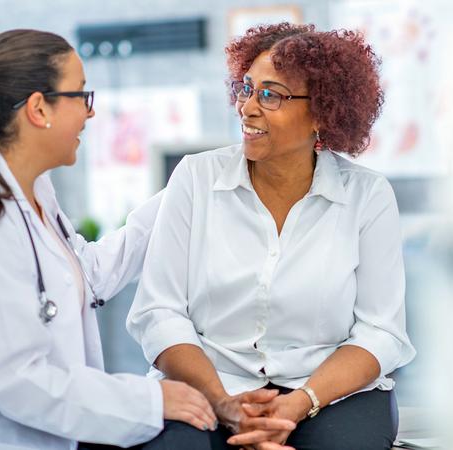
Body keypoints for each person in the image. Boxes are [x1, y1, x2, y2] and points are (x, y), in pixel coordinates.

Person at [0, 29, 224, 450]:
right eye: (81, 94)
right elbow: (19, 380)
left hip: (40, 425)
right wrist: (149, 399)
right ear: (38, 108)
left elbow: (89, 274)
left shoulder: (33, 190)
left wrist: (185, 189)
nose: (90, 112)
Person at [127, 23, 416, 450]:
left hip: (328, 394)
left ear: (322, 112)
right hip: (210, 384)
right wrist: (225, 403)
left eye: (271, 95)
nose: (247, 107)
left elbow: (381, 332)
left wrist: (298, 404)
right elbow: (159, 312)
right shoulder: (195, 178)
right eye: (246, 89)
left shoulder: (367, 196)